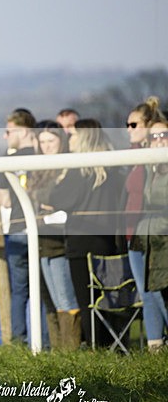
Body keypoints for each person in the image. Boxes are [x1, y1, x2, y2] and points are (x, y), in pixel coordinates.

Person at [46, 119, 125, 348]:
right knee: (110, 298)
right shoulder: (114, 168)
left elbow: (58, 199)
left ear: (83, 138)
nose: (69, 140)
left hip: (81, 243)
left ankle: (94, 345)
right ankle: (115, 344)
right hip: (109, 243)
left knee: (87, 300)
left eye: (72, 135)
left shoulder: (79, 170)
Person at [29, 121, 81, 350]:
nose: (47, 146)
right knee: (51, 299)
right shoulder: (38, 167)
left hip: (60, 240)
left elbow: (58, 199)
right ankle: (60, 348)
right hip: (42, 240)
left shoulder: (67, 166)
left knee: (65, 298)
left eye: (51, 140)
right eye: (42, 142)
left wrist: (47, 201)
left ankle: (71, 348)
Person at [0, 108, 44, 345]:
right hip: (42, 229)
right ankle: (44, 340)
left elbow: (2, 200)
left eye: (8, 131)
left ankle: (18, 340)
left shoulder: (9, 159)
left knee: (20, 290)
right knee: (42, 290)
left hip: (16, 230)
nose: (6, 136)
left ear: (22, 130)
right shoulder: (44, 154)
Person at [132, 115, 168, 351]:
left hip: (161, 238)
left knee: (162, 293)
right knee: (148, 294)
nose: (158, 141)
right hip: (141, 237)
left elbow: (157, 198)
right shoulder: (149, 165)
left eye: (163, 135)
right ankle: (155, 346)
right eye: (153, 137)